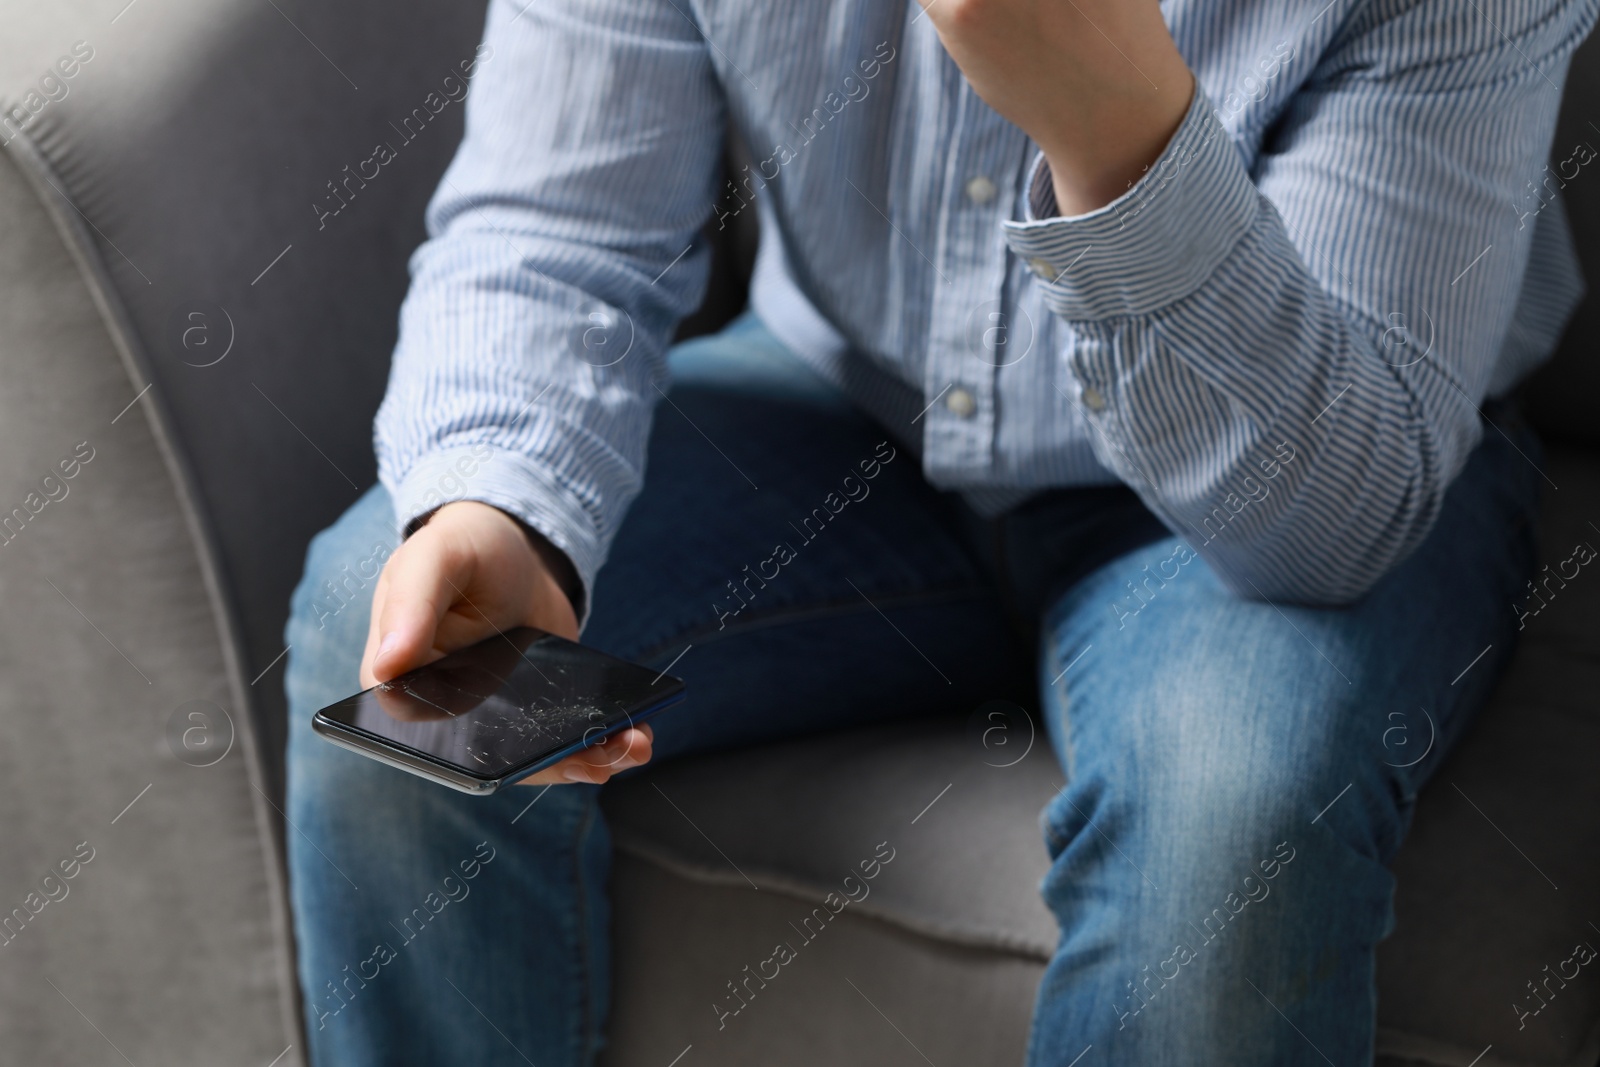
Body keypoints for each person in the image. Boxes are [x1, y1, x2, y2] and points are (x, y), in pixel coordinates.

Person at [283, 0, 1595, 1062]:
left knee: (1227, 822)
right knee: (398, 663)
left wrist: (1126, 137)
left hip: (1295, 453)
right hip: (850, 407)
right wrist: (503, 503)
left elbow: (1332, 513)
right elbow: (558, 218)